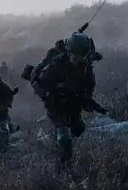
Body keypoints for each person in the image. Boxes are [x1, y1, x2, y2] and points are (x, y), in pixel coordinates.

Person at [33, 32, 108, 164]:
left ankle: (52, 141)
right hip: (56, 104)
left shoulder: (86, 69)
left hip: (73, 104)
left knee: (78, 130)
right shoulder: (56, 65)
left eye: (81, 56)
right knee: (63, 138)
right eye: (75, 56)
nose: (78, 59)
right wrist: (49, 95)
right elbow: (40, 84)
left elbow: (87, 91)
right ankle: (63, 168)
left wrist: (93, 105)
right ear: (70, 53)